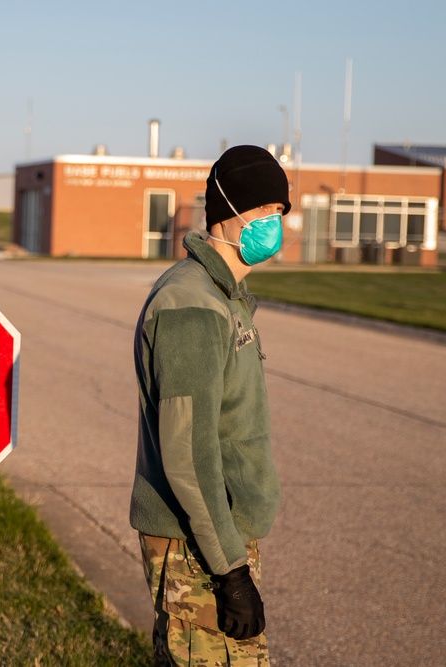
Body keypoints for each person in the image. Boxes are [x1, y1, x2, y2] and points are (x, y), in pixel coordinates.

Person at [130, 145, 288, 666]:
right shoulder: (191, 306)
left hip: (215, 539)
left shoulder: (224, 298)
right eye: (263, 213)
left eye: (279, 215)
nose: (273, 225)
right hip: (196, 548)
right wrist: (230, 573)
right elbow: (189, 455)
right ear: (225, 214)